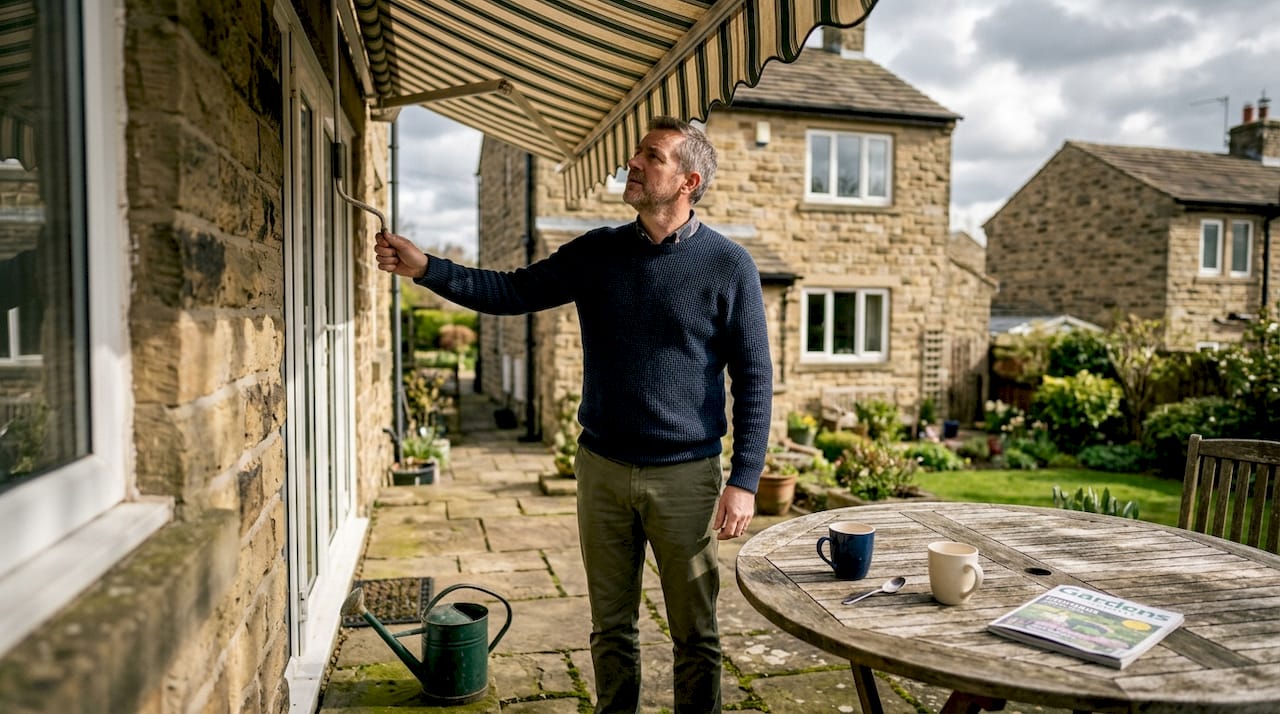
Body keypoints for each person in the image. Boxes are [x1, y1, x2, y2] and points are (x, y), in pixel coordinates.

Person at [374, 116, 772, 713]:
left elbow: (755, 377)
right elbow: (511, 291)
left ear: (688, 180)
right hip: (602, 471)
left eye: (652, 156)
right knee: (611, 629)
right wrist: (428, 268)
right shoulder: (597, 253)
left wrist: (743, 481)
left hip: (685, 478)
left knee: (697, 635)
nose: (633, 163)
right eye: (637, 153)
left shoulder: (729, 265)